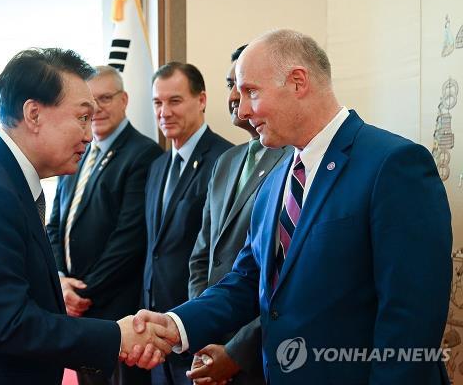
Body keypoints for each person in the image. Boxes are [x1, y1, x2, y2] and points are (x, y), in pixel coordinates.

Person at [130, 29, 453, 385]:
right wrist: (175, 325)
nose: (243, 108)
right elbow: (245, 281)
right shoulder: (275, 178)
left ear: (298, 82)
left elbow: (411, 318)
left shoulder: (393, 165)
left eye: (252, 91)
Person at [0, 48, 177, 385]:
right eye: (81, 117)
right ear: (34, 114)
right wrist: (116, 336)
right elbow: (7, 323)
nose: (88, 133)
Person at [46, 65, 162, 385]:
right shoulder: (79, 149)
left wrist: (84, 292)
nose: (96, 110)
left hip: (115, 308)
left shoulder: (143, 154)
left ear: (124, 100)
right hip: (78, 304)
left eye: (106, 98)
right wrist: (60, 280)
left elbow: (129, 240)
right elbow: (55, 223)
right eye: (89, 103)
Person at [186, 45, 291, 385]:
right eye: (231, 84)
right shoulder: (226, 162)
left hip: (261, 353)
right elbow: (203, 255)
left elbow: (288, 279)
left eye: (247, 88)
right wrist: (201, 327)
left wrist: (235, 350)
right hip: (212, 339)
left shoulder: (295, 162)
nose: (234, 96)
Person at [143, 62, 232, 385]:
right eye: (157, 103)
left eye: (175, 101)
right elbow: (154, 251)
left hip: (197, 329)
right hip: (157, 331)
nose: (164, 111)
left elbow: (222, 255)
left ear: (202, 100)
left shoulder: (225, 162)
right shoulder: (156, 166)